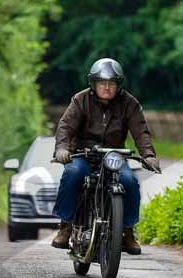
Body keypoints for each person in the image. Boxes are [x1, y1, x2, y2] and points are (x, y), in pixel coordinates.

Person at [51, 58, 160, 255]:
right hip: (83, 154)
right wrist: (62, 149)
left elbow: (141, 132)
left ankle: (127, 231)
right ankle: (66, 226)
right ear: (94, 84)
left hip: (113, 156)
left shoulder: (129, 103)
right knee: (73, 174)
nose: (107, 88)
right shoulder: (80, 100)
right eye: (102, 83)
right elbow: (66, 126)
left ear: (118, 85)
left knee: (130, 181)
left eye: (111, 84)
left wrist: (149, 155)